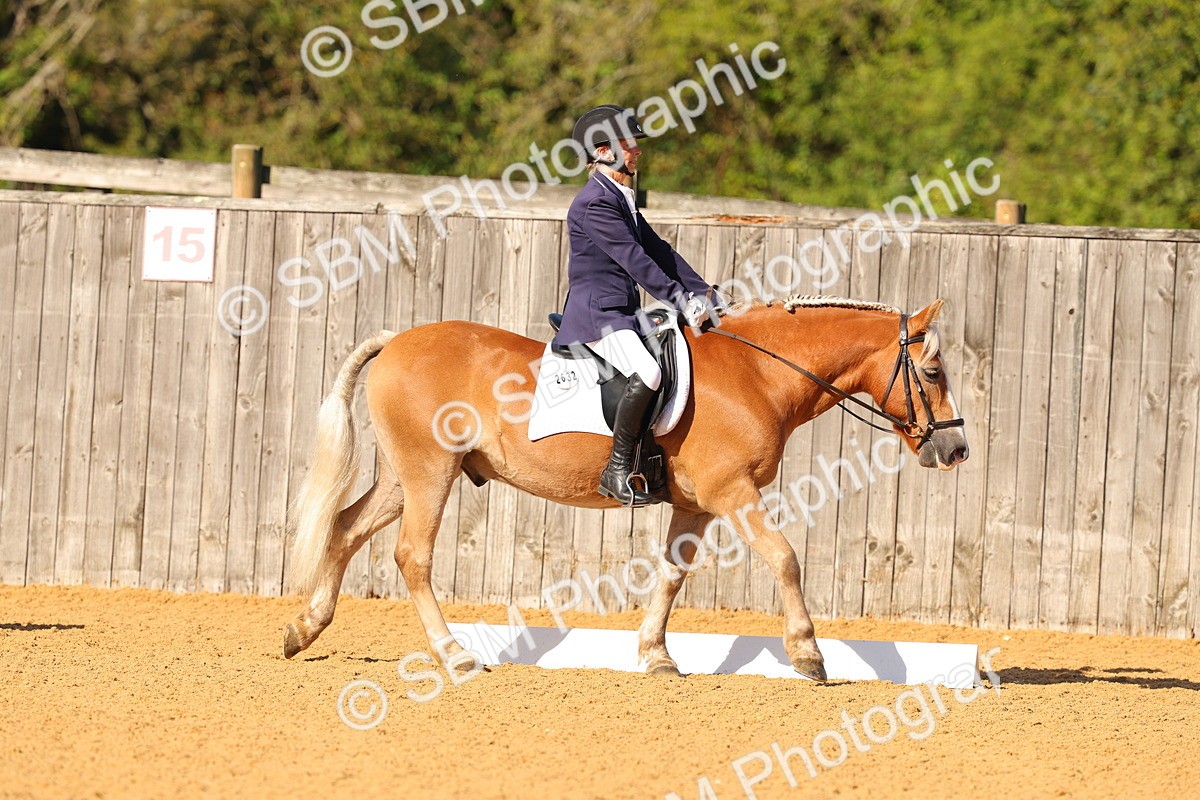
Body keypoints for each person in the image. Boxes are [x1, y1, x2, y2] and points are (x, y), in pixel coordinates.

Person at [554, 104, 724, 507]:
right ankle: (615, 470)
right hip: (597, 317)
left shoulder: (620, 197)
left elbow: (660, 252)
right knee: (648, 372)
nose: (637, 151)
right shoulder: (593, 202)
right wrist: (681, 300)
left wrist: (705, 294)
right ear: (602, 150)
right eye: (629, 145)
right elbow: (634, 260)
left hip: (622, 313)